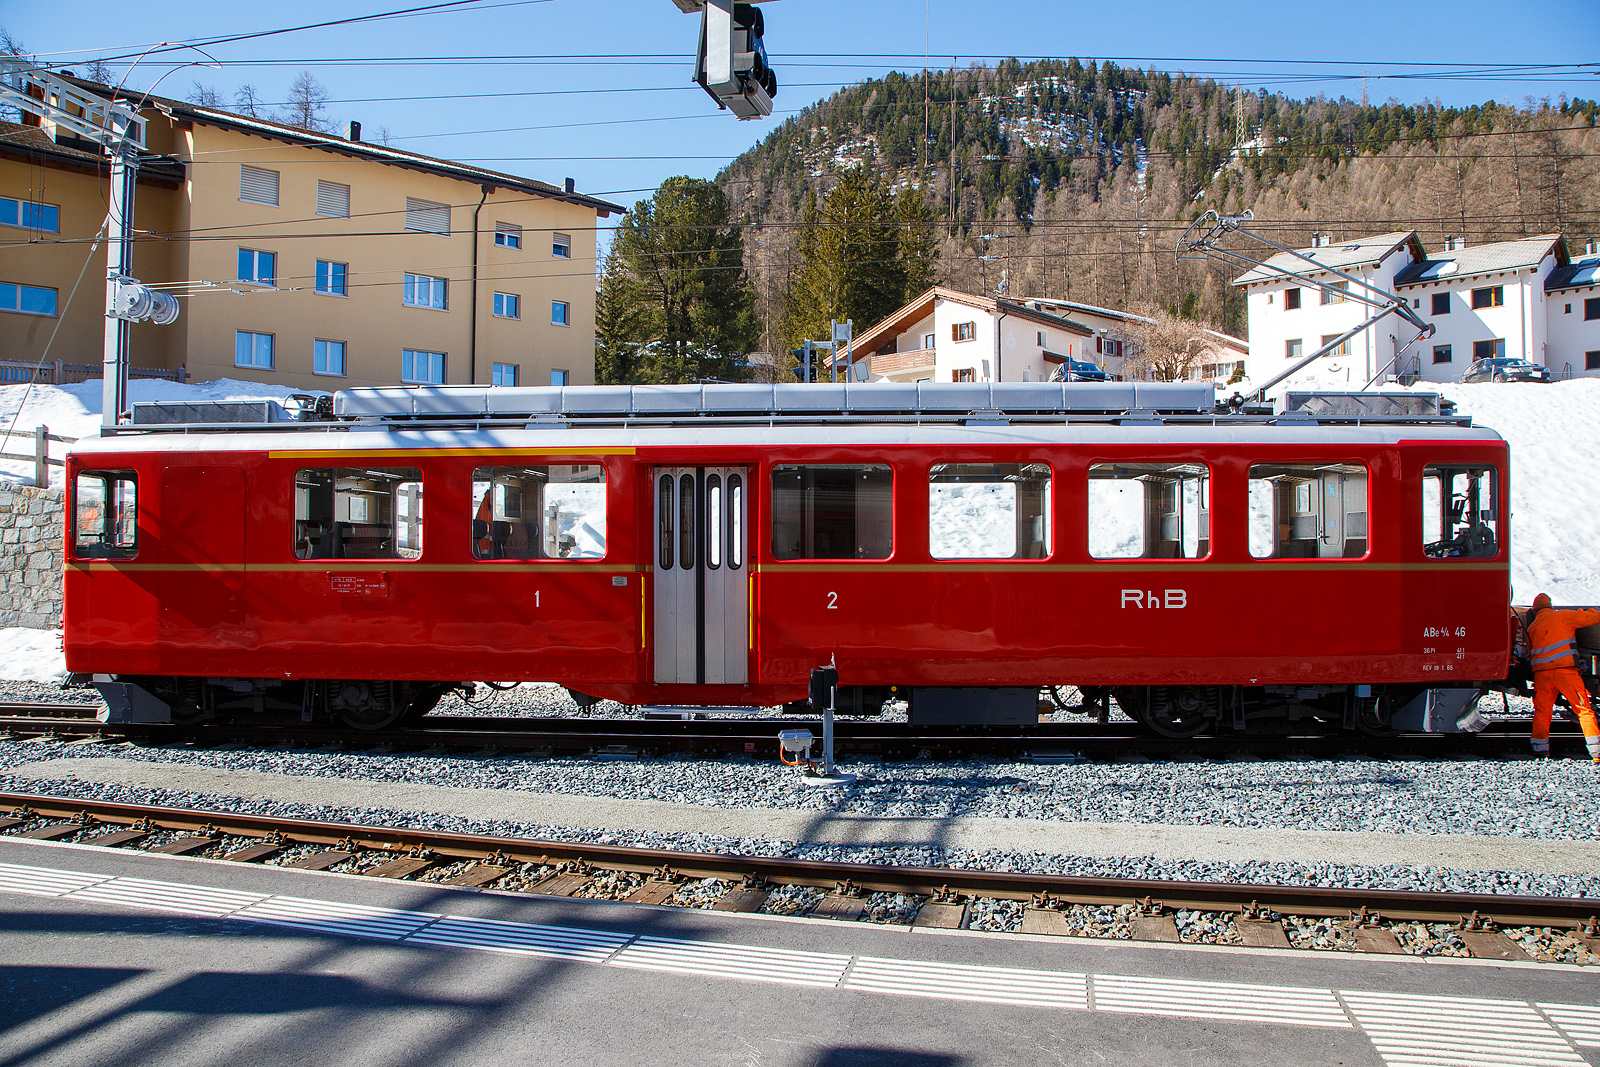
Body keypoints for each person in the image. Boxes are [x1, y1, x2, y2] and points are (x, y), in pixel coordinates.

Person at [1524, 593, 1600, 760]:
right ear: (1550, 606)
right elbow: (1590, 618)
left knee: (1542, 712)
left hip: (1542, 675)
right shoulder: (1562, 616)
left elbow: (1530, 652)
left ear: (1535, 610)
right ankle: (1597, 752)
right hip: (1565, 673)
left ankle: (1540, 749)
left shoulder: (1532, 627)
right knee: (1583, 710)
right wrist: (1596, 611)